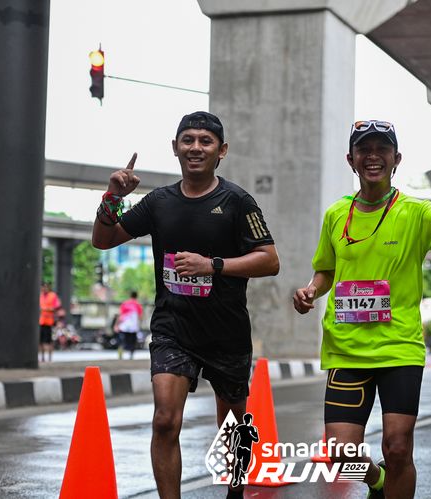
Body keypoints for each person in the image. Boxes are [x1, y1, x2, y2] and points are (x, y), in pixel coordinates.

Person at [293, 120, 431, 498]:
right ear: (351, 160)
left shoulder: (415, 212)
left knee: (398, 447)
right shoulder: (336, 215)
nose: (373, 156)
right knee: (339, 454)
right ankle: (378, 482)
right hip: (346, 348)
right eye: (364, 149)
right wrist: (311, 290)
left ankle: (392, 479)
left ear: (396, 159)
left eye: (382, 149)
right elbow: (326, 269)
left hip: (399, 347)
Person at [91, 111, 279, 499]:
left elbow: (269, 260)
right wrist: (112, 197)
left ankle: (235, 491)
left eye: (205, 141)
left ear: (221, 151)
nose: (195, 147)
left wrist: (213, 266)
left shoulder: (238, 202)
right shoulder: (159, 202)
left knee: (232, 425)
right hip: (173, 329)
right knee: (164, 420)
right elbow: (103, 240)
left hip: (226, 331)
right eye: (187, 140)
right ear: (175, 148)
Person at [230, 412, 259, 487]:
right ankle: (236, 480)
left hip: (247, 450)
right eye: (247, 420)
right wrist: (233, 446)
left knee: (245, 467)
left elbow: (256, 440)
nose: (248, 421)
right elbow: (235, 436)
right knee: (237, 463)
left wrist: (251, 434)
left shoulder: (253, 429)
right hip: (240, 448)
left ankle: (243, 471)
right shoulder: (240, 427)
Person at [115, 291, 143, 360]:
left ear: (130, 296)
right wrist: (139, 326)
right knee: (132, 342)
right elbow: (140, 317)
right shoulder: (138, 305)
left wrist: (116, 325)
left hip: (124, 326)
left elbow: (120, 315)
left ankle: (120, 352)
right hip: (133, 327)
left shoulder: (125, 303)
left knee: (122, 340)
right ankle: (131, 354)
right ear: (136, 296)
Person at [39, 282, 61, 363]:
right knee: (41, 341)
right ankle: (42, 358)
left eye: (46, 287)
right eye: (43, 287)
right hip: (41, 321)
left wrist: (46, 309)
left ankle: (49, 358)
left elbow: (57, 307)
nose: (44, 289)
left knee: (49, 341)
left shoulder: (53, 296)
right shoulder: (40, 296)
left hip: (50, 321)